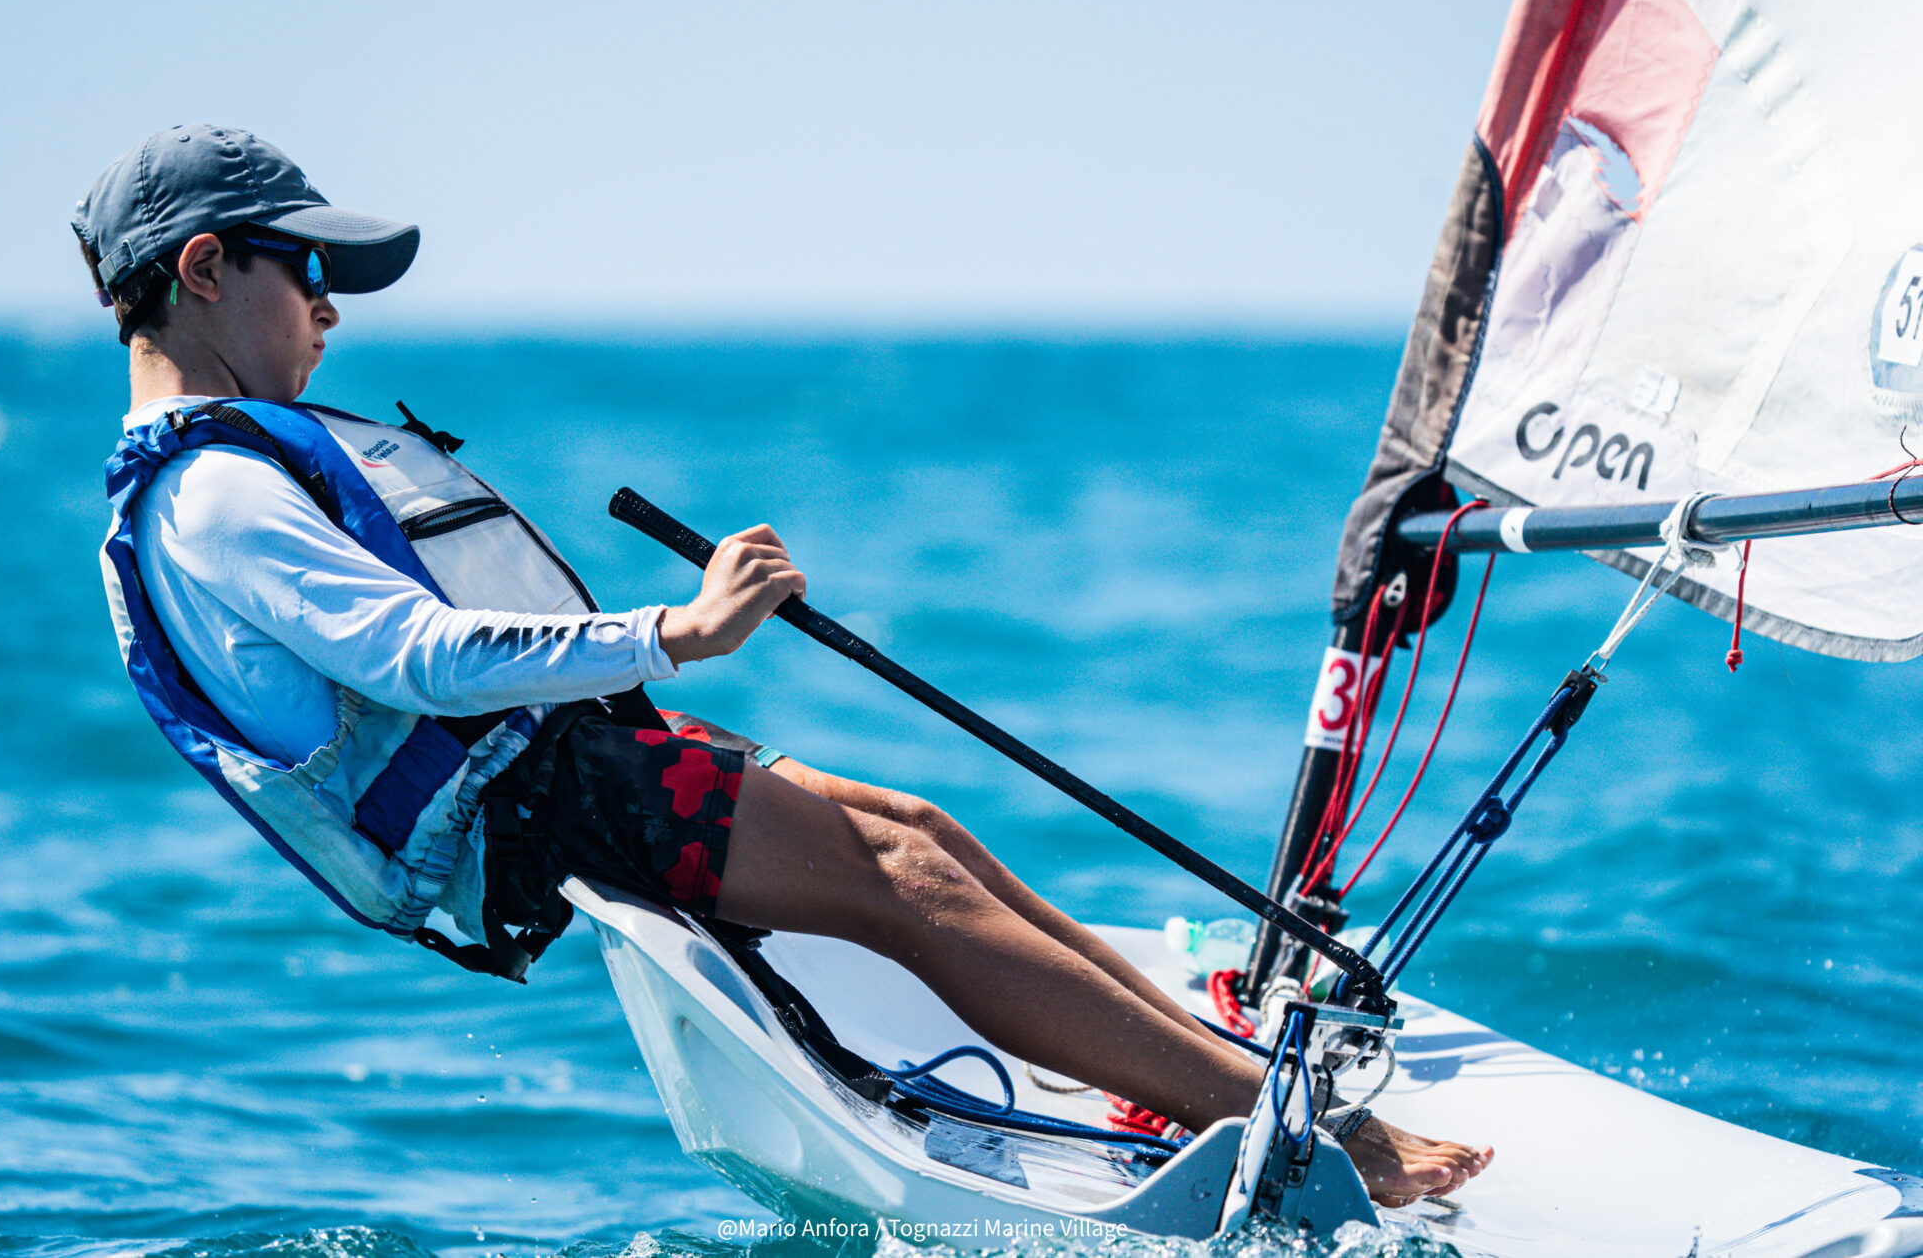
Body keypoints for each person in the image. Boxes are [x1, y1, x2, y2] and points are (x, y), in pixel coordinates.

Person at [78, 125, 1491, 1210]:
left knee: (919, 832)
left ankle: (1207, 1079)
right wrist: (678, 631)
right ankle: (1309, 1134)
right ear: (203, 269)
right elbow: (420, 658)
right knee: (906, 882)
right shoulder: (211, 496)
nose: (328, 310)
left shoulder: (234, 467)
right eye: (307, 272)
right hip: (531, 805)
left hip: (560, 764)